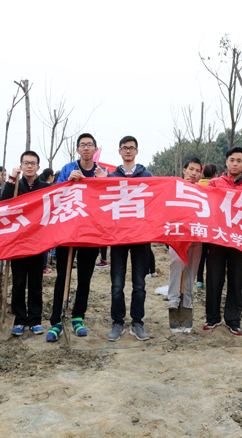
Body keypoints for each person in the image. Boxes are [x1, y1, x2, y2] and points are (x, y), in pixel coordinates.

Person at [46, 133, 107, 342]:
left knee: (84, 278)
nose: (86, 148)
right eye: (83, 145)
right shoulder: (67, 170)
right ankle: (56, 320)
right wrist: (68, 183)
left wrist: (103, 182)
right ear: (78, 149)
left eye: (90, 144)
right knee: (63, 277)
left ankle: (78, 317)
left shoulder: (102, 172)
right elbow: (55, 196)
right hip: (68, 234)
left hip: (91, 234)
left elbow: (108, 201)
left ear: (95, 149)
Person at [106, 135, 154, 341]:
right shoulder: (111, 178)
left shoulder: (148, 176)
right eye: (124, 148)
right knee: (117, 284)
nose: (128, 151)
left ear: (136, 151)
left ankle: (137, 322)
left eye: (131, 148)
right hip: (118, 237)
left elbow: (154, 203)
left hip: (141, 237)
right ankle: (117, 322)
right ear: (119, 151)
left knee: (139, 284)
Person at [205, 146, 242, 335]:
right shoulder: (214, 184)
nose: (235, 163)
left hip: (239, 241)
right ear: (226, 162)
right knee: (214, 278)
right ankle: (212, 318)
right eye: (232, 160)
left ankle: (233, 320)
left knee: (236, 280)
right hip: (217, 239)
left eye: (239, 161)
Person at [2, 151, 51, 336]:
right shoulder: (16, 185)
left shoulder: (45, 187)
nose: (29, 166)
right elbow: (3, 204)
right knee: (19, 282)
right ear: (20, 166)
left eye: (32, 163)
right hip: (18, 242)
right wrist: (11, 180)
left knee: (36, 282)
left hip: (38, 242)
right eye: (26, 163)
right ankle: (19, 319)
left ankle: (35, 319)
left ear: (38, 167)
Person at [166, 158, 203, 333]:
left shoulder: (203, 191)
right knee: (177, 264)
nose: (193, 173)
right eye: (191, 169)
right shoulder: (174, 188)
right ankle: (173, 300)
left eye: (197, 170)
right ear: (184, 170)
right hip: (177, 237)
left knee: (191, 271)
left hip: (196, 237)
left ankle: (186, 307)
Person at [196, 164, 218, 288]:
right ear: (215, 174)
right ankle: (211, 279)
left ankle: (199, 280)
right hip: (212, 225)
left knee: (201, 254)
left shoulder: (197, 185)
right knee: (211, 254)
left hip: (199, 224)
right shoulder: (216, 186)